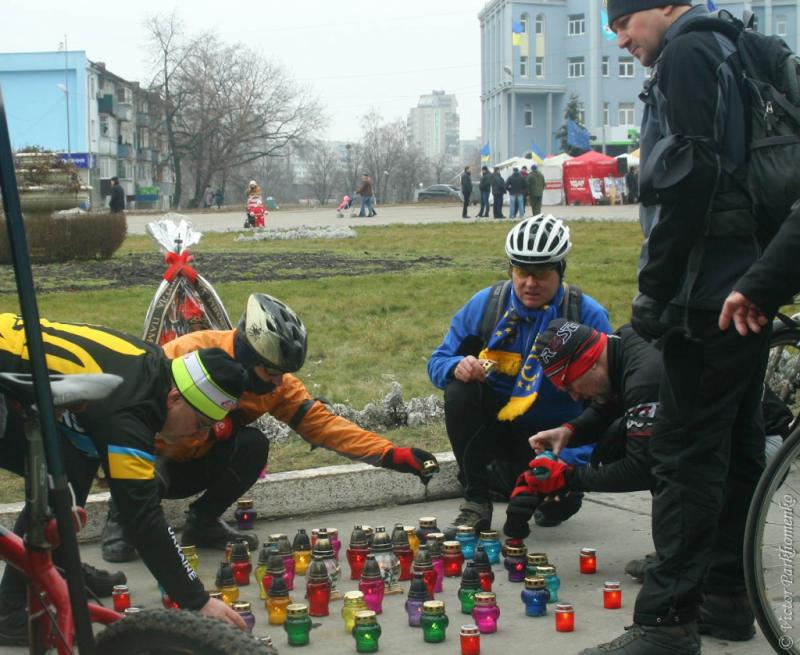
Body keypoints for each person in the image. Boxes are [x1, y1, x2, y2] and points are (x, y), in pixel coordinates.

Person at [590, 2, 772, 653]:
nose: (619, 39)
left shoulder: (688, 54)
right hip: (749, 278)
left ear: (661, 6)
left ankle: (665, 621)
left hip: (706, 292)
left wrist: (654, 290)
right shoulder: (734, 43)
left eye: (622, 22)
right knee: (739, 445)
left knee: (685, 452)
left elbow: (689, 175)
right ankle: (726, 598)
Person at [101, 293, 439, 561]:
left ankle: (202, 523)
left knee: (253, 445)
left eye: (283, 373)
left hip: (198, 465)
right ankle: (122, 516)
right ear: (249, 357)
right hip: (149, 459)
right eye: (272, 373)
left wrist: (392, 454)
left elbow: (324, 425)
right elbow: (130, 421)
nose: (279, 382)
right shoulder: (187, 354)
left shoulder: (278, 385)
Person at [0, 316, 250, 643]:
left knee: (69, 473)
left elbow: (93, 422)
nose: (199, 434)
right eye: (201, 422)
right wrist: (197, 600)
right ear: (175, 398)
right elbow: (143, 518)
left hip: (14, 353)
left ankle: (58, 564)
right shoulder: (130, 414)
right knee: (59, 478)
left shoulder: (154, 367)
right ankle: (8, 613)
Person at [427, 215, 611, 534]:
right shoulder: (486, 305)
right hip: (502, 431)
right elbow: (437, 361)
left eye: (541, 274)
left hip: (558, 438)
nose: (530, 283)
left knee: (555, 506)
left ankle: (553, 488)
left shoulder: (586, 314)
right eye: (522, 272)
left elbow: (609, 399)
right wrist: (455, 366)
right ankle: (476, 502)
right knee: (459, 390)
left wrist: (570, 459)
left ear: (560, 270)